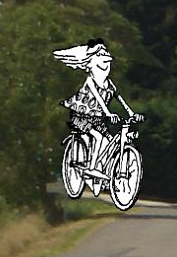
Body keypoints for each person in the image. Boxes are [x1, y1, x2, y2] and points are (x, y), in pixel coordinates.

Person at [54, 38, 142, 194]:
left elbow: (119, 98)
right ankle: (92, 168)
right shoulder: (90, 80)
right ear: (91, 62)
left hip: (96, 119)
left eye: (107, 59)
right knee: (99, 138)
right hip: (81, 115)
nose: (106, 63)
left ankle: (102, 171)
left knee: (108, 141)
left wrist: (131, 113)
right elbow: (99, 100)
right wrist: (108, 114)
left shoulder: (109, 83)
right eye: (101, 58)